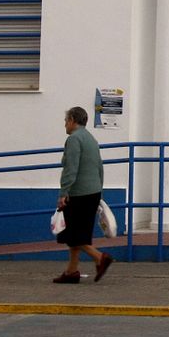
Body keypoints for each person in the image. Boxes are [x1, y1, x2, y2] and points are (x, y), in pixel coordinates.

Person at [53, 106, 114, 284]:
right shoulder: (90, 139)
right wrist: (99, 191)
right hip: (93, 192)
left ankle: (100, 258)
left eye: (66, 121)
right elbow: (99, 167)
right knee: (79, 233)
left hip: (79, 193)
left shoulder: (74, 139)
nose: (65, 124)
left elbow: (71, 168)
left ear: (72, 120)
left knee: (71, 234)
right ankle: (72, 272)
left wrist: (64, 192)